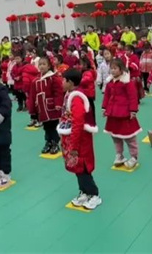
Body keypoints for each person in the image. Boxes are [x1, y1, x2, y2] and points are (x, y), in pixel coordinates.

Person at [58, 69, 101, 210]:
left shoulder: (76, 98)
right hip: (71, 138)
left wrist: (74, 146)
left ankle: (94, 194)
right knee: (76, 167)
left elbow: (78, 122)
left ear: (70, 82)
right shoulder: (69, 95)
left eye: (63, 80)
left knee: (82, 167)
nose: (61, 83)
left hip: (79, 139)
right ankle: (84, 191)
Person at [102, 58, 141, 169]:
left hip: (125, 114)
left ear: (121, 69)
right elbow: (106, 96)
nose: (112, 71)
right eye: (111, 68)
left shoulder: (127, 82)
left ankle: (134, 156)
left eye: (115, 68)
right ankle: (119, 155)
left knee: (130, 137)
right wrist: (104, 108)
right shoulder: (110, 82)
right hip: (113, 114)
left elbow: (133, 97)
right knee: (115, 136)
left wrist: (133, 110)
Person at [29, 57, 64, 155]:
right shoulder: (35, 81)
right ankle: (48, 142)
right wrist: (33, 110)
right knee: (46, 126)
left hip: (52, 107)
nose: (41, 66)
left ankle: (55, 143)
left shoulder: (54, 78)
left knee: (53, 125)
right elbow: (32, 96)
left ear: (49, 66)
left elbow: (58, 92)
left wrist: (58, 103)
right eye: (40, 64)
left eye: (44, 64)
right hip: (41, 108)